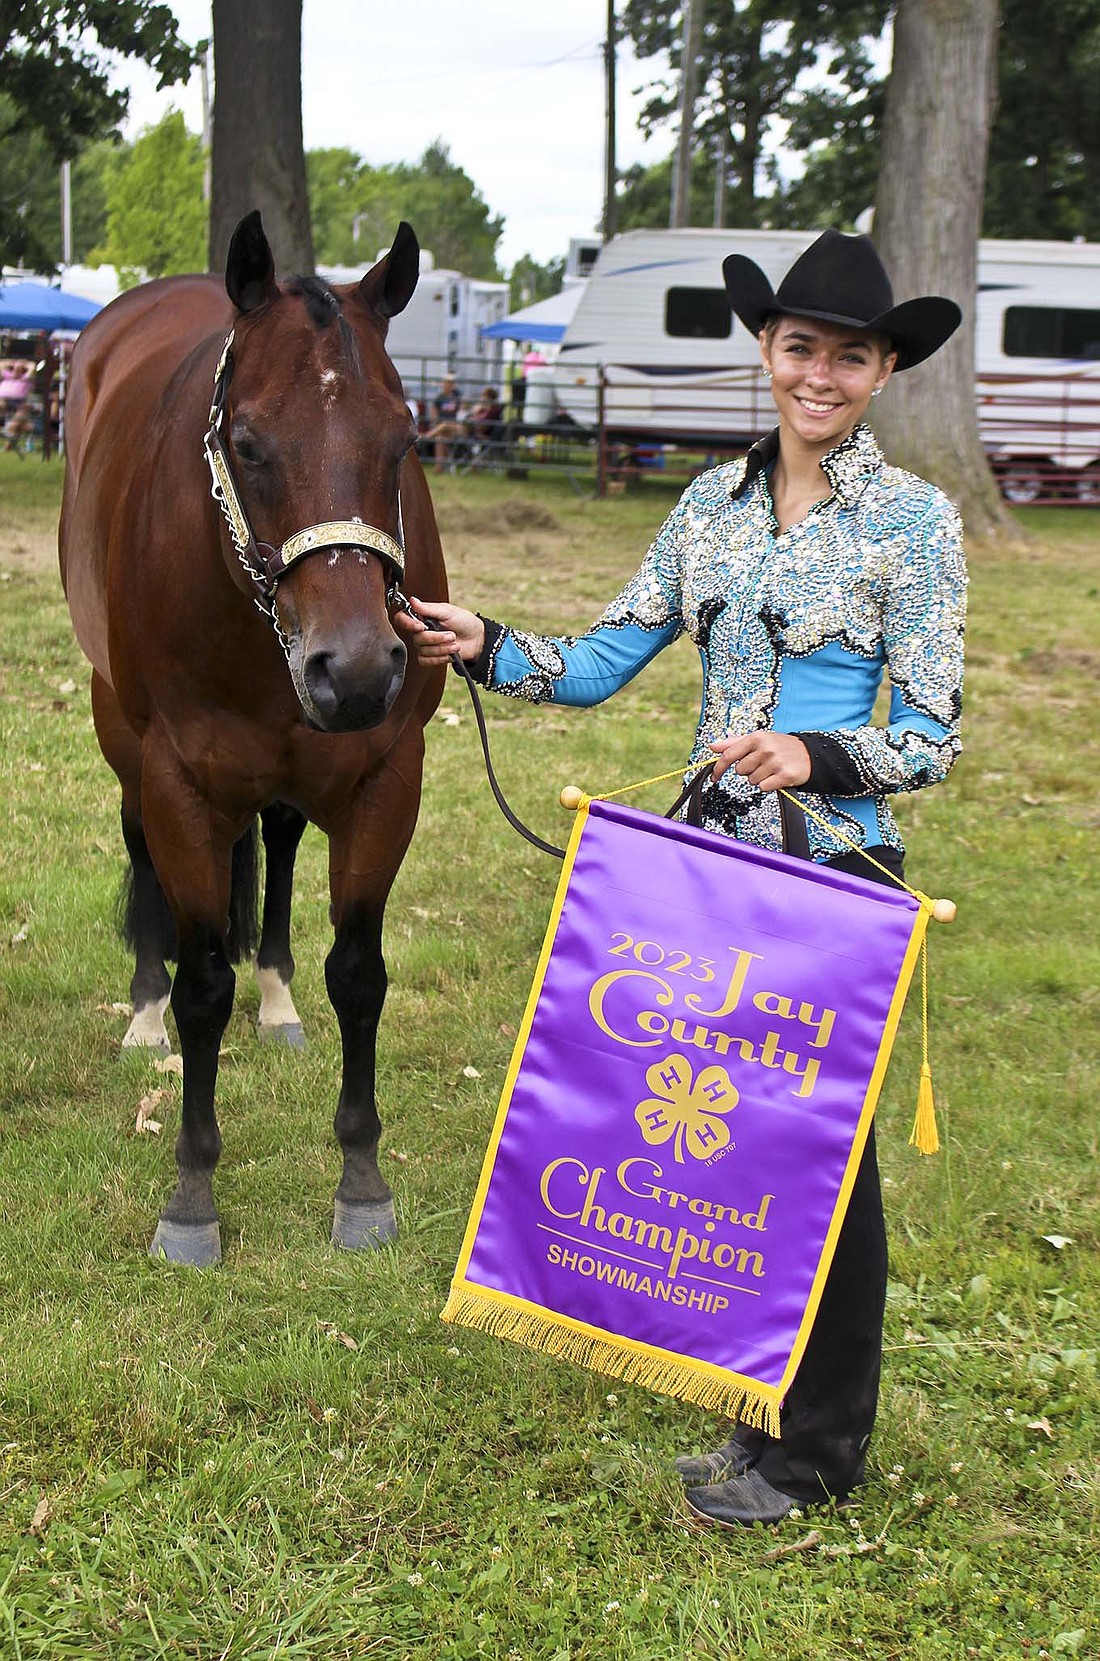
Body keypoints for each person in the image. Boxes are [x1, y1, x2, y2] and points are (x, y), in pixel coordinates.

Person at [396, 229, 966, 1528]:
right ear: (769, 352)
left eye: (851, 355)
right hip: (711, 865)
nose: (820, 373)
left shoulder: (915, 527)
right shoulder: (707, 510)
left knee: (823, 1147)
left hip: (833, 872)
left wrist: (810, 753)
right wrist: (484, 645)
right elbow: (605, 659)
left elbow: (932, 734)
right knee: (737, 1145)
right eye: (801, 346)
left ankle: (820, 1447)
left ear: (882, 372)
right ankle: (750, 1409)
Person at [423, 375, 463, 473]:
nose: (447, 385)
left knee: (444, 424)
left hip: (456, 427)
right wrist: (434, 423)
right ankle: (439, 466)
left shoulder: (457, 397)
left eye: (450, 383)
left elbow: (462, 413)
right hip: (442, 430)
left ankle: (426, 436)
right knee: (440, 437)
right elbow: (434, 413)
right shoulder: (439, 398)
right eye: (446, 383)